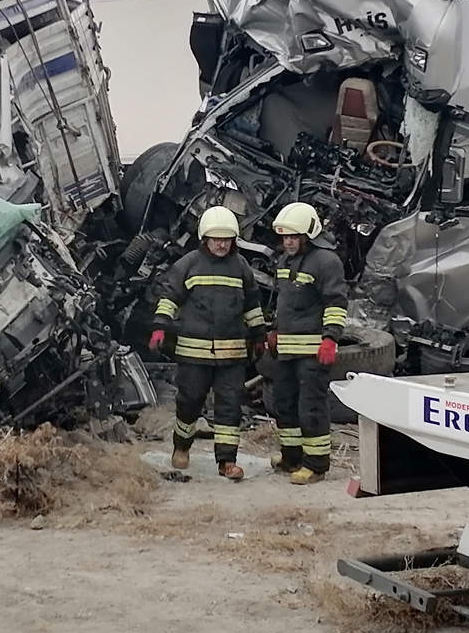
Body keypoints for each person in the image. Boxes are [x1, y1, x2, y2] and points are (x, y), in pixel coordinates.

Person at [149, 206, 265, 481]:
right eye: (216, 239)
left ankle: (227, 461)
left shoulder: (241, 267)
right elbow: (169, 297)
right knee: (189, 402)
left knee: (230, 407)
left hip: (232, 355)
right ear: (205, 238)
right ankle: (181, 446)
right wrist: (160, 326)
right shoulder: (188, 264)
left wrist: (259, 334)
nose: (222, 245)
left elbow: (252, 304)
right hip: (194, 353)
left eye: (227, 240)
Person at [266, 202, 348, 486]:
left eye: (294, 237)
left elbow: (336, 302)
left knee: (311, 407)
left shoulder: (327, 262)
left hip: (312, 351)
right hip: (286, 350)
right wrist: (275, 330)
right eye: (285, 237)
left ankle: (315, 465)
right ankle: (291, 458)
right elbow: (283, 302)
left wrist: (330, 338)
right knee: (285, 403)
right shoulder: (285, 262)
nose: (288, 242)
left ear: (308, 235)